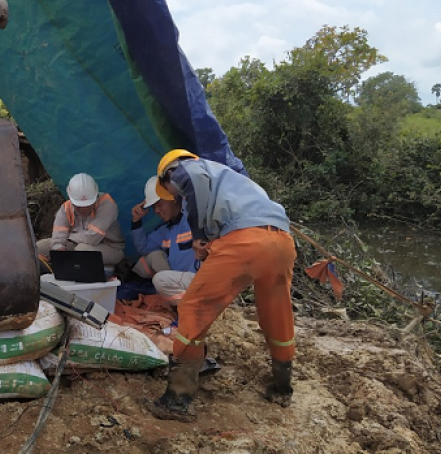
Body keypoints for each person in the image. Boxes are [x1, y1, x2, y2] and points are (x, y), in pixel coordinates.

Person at [147, 149, 296, 422]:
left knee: (193, 306)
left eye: (168, 188)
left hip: (245, 242)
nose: (173, 193)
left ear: (169, 173)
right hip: (281, 240)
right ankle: (282, 386)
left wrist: (199, 235)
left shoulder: (185, 169)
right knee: (277, 313)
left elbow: (190, 184)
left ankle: (177, 399)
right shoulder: (232, 178)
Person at [129, 176, 199, 306]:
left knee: (159, 280)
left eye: (159, 204)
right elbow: (143, 247)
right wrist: (136, 221)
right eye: (153, 207)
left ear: (172, 197)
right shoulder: (165, 230)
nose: (156, 211)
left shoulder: (193, 218)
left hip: (199, 280)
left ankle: (190, 309)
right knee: (152, 257)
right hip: (177, 282)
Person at [36, 173, 125, 267]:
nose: (83, 209)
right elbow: (58, 237)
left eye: (87, 205)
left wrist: (69, 238)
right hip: (75, 245)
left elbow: (92, 238)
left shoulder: (107, 205)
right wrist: (59, 248)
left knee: (82, 251)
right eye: (79, 207)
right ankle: (54, 272)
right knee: (39, 247)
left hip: (110, 248)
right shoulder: (65, 208)